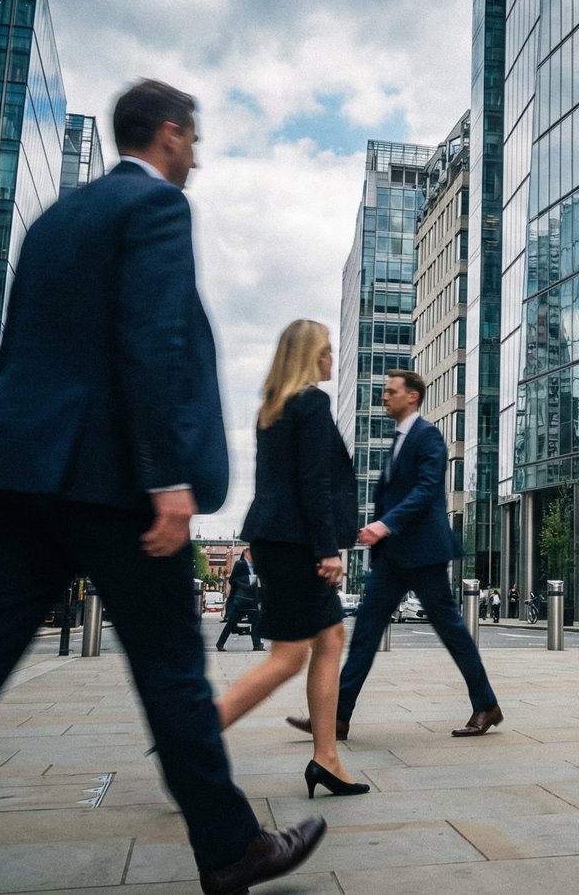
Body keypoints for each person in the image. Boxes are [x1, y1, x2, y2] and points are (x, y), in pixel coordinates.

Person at [0, 81, 323, 895]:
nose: (195, 156)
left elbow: (16, 346)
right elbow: (152, 340)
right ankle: (232, 847)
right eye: (192, 141)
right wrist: (166, 477)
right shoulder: (157, 209)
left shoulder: (55, 218)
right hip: (116, 485)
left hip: (26, 476)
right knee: (169, 670)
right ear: (167, 134)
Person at [286, 369, 504, 741]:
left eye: (391, 392)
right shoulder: (400, 438)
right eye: (384, 392)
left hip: (423, 554)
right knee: (365, 634)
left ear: (412, 397)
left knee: (452, 631)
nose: (384, 397)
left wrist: (384, 525)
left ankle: (486, 704)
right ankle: (338, 717)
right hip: (393, 558)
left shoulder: (428, 437)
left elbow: (426, 491)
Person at [211, 319, 367, 801]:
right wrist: (327, 549)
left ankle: (327, 758)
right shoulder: (311, 404)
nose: (330, 358)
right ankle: (193, 736)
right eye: (325, 351)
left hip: (274, 538)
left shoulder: (271, 410)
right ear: (307, 356)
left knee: (331, 637)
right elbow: (313, 483)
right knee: (288, 657)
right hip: (299, 543)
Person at [216, 548, 265, 652]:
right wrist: (247, 582)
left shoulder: (256, 565)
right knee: (232, 622)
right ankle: (220, 643)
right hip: (241, 598)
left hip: (253, 598)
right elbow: (233, 580)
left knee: (256, 622)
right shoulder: (240, 564)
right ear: (246, 553)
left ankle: (257, 644)